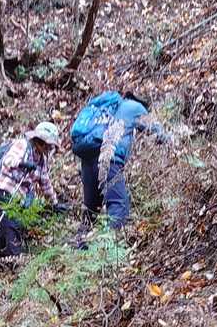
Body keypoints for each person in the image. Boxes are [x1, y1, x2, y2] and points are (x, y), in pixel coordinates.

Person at [69, 90, 169, 229]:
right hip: (109, 160)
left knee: (91, 210)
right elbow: (156, 130)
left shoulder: (107, 108)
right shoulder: (136, 107)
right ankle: (112, 240)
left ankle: (81, 240)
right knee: (119, 205)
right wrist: (173, 140)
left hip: (87, 160)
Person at [0, 120, 62, 258]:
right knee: (11, 223)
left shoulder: (41, 160)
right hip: (4, 186)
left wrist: (55, 203)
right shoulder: (23, 145)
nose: (49, 149)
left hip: (19, 195)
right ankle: (15, 257)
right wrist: (22, 164)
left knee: (5, 225)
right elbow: (8, 161)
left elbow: (45, 183)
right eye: (48, 145)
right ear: (40, 141)